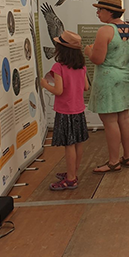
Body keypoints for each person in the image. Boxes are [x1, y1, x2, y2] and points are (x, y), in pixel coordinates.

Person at [85, 0, 129, 173]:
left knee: (109, 121)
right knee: (124, 118)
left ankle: (114, 161)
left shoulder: (105, 30)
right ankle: (128, 157)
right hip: (125, 76)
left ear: (109, 11)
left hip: (108, 78)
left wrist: (89, 51)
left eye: (100, 9)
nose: (97, 12)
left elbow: (98, 59)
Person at [41, 31, 90, 190]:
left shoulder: (58, 67)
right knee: (78, 142)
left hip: (65, 111)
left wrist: (45, 84)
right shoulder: (81, 65)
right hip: (79, 109)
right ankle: (73, 172)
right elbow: (86, 87)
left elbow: (59, 91)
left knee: (69, 144)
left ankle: (70, 179)